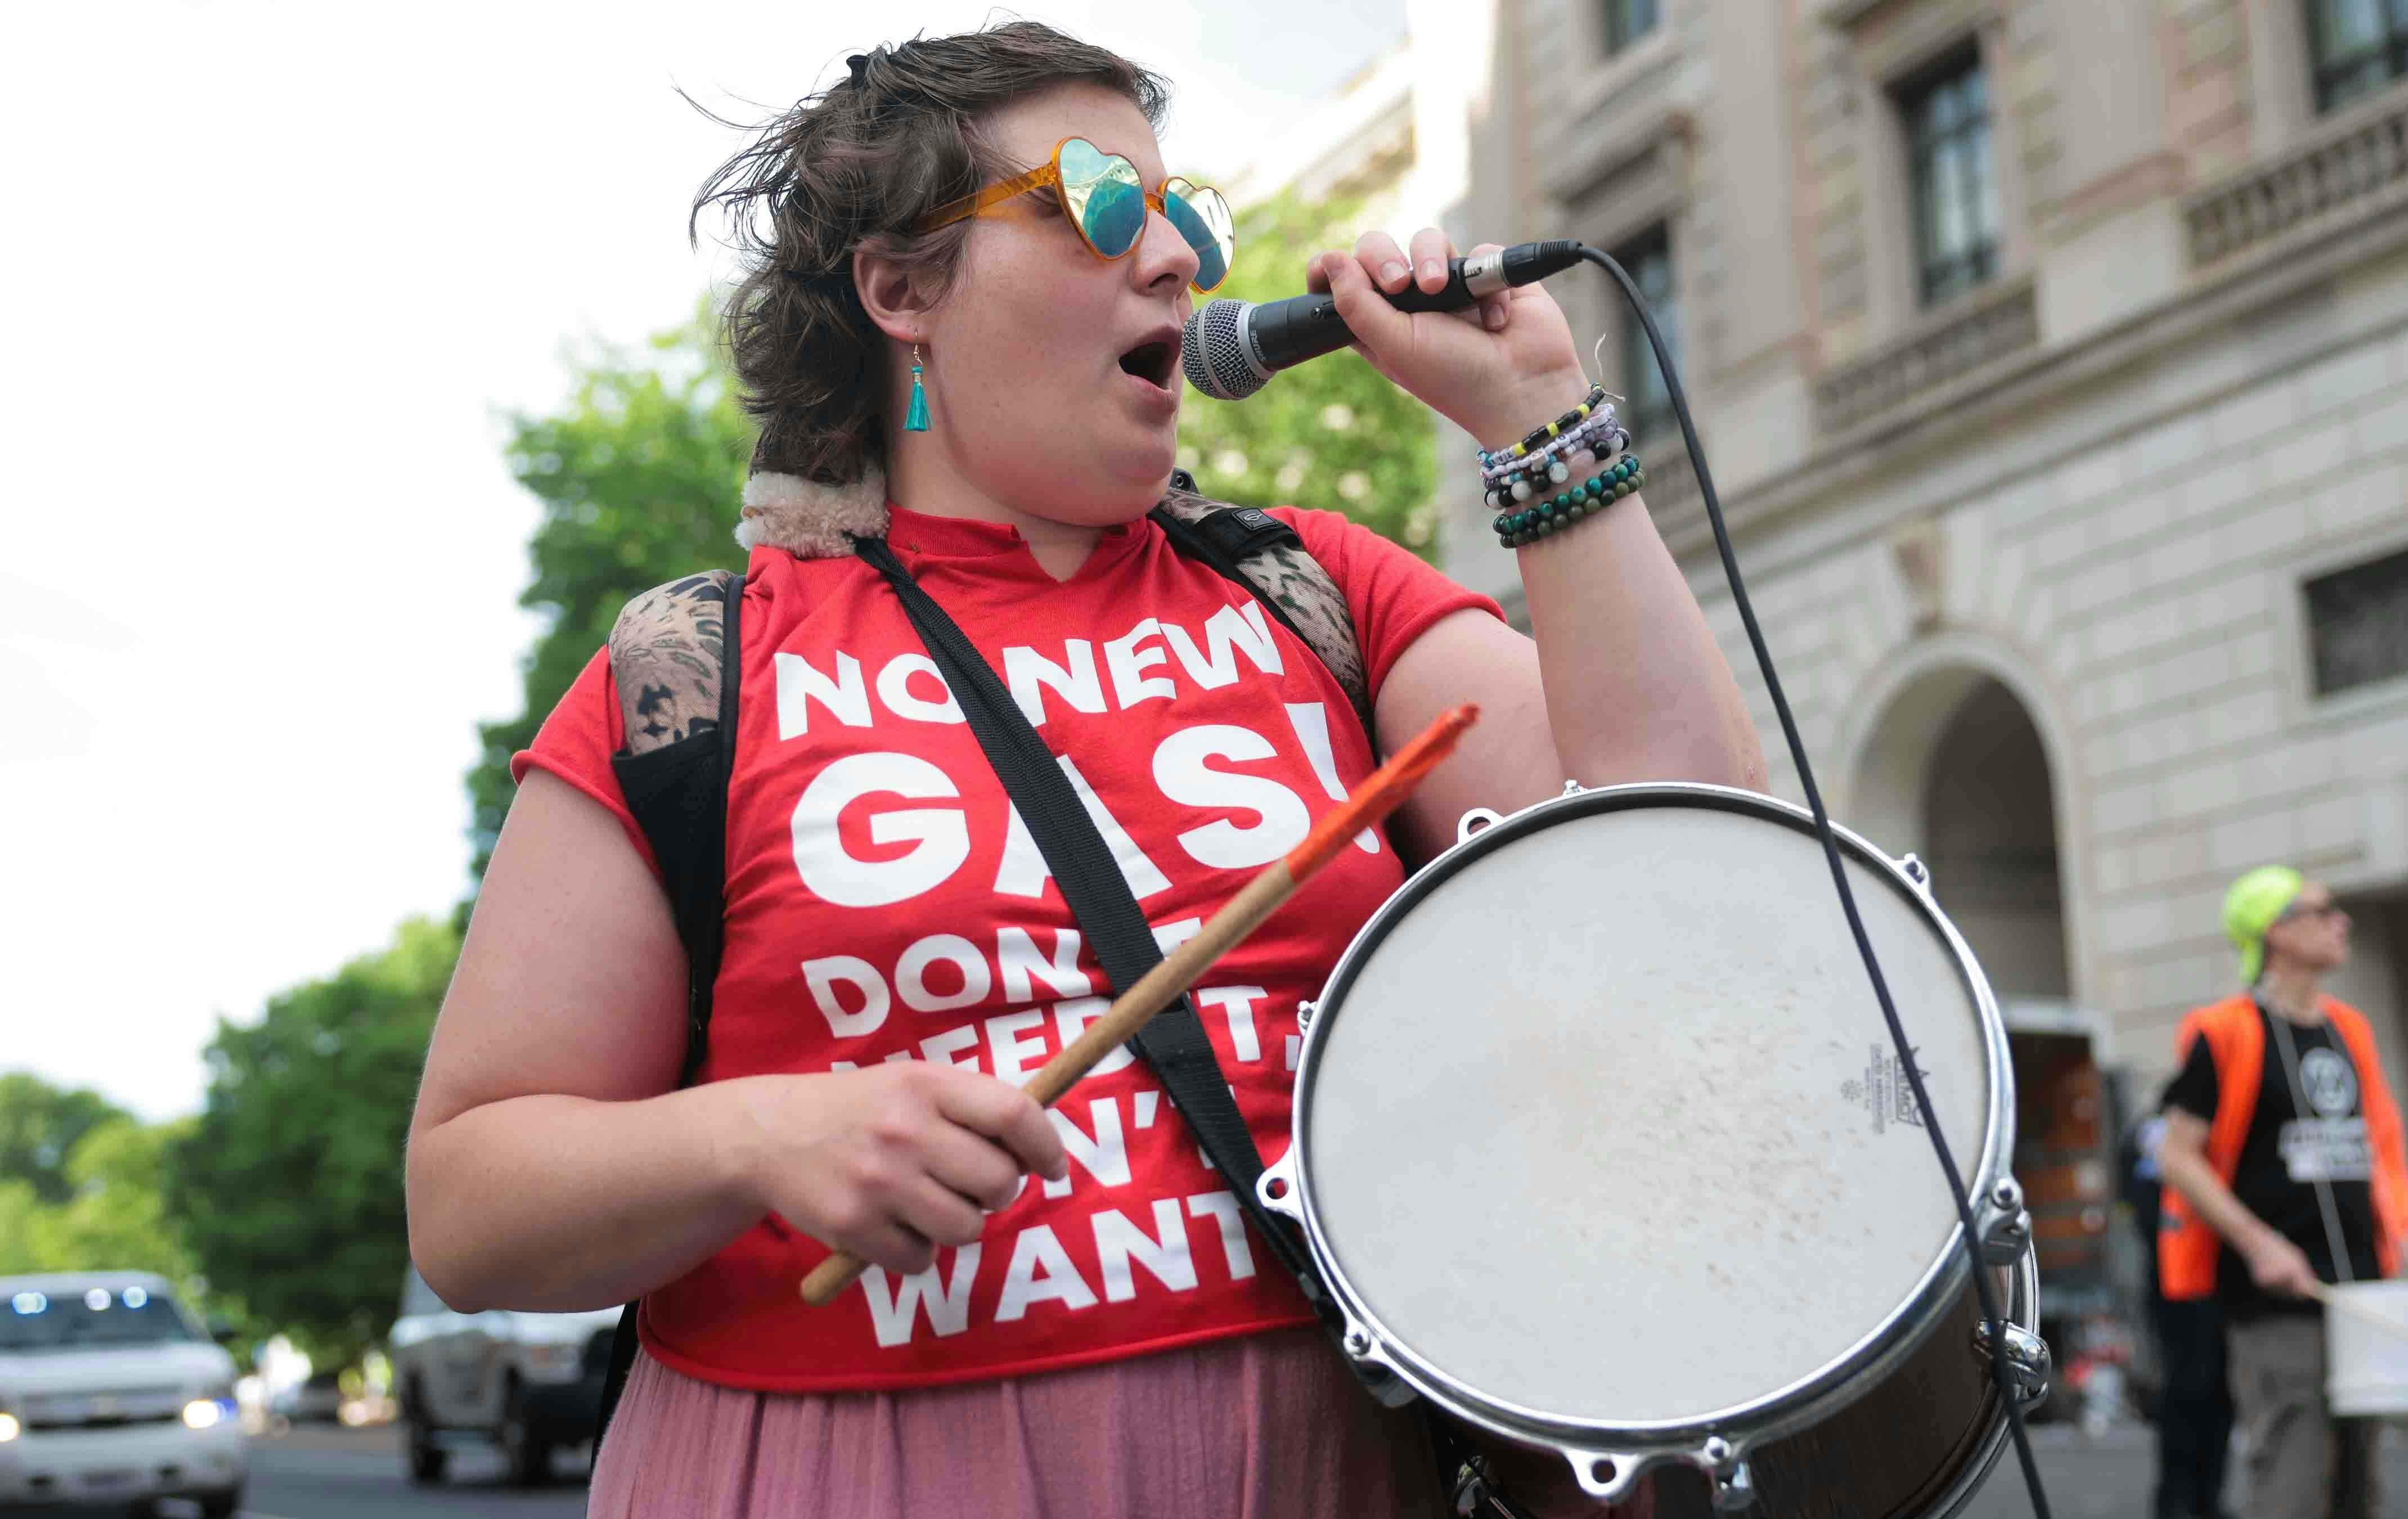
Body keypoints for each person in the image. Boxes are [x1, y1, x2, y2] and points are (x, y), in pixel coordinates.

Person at [402, 23, 1761, 1519]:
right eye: (1101, 204)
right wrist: (764, 1133)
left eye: (1190, 214)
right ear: (901, 288)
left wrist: (1538, 420)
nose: (1177, 253)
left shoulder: (1321, 590)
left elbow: (1696, 871)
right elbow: (469, 1201)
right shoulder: (699, 672)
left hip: (1327, 1460)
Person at [2155, 868, 2408, 1519]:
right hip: (2274, 1296)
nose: (2341, 921)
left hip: (2360, 1288)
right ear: (2278, 932)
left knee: (2358, 1483)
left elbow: (2374, 1149)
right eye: (2324, 910)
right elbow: (2178, 1156)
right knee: (2291, 1477)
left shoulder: (2351, 1029)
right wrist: (2259, 1244)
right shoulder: (2224, 1032)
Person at [2121, 1095, 2234, 1519]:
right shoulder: (2157, 1137)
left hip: (2215, 1283)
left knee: (2218, 1392)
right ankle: (2176, 1496)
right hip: (2175, 1288)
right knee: (2187, 1389)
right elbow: (2147, 1211)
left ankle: (2206, 1496)